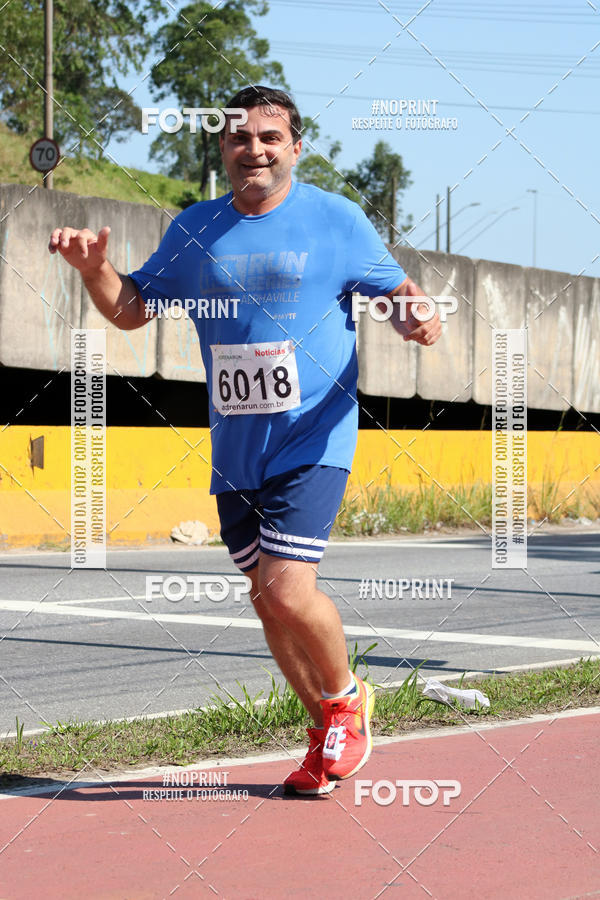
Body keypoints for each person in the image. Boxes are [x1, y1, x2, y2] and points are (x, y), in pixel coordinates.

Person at [49, 86, 442, 795]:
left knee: (290, 588)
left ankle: (347, 702)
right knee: (266, 599)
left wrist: (416, 318)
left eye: (269, 137)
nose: (253, 150)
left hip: (313, 435)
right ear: (222, 150)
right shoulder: (197, 229)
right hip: (236, 449)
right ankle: (325, 732)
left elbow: (400, 294)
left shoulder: (337, 220)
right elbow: (134, 309)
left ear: (296, 147)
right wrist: (93, 271)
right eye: (238, 139)